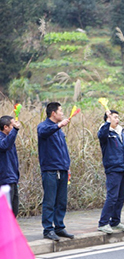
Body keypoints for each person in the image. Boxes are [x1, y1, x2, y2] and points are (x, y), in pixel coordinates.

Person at [37, 103, 75, 241]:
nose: (62, 113)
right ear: (53, 113)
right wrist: (58, 125)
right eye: (60, 111)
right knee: (49, 201)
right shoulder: (44, 126)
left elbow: (63, 150)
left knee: (61, 201)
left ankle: (59, 227)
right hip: (50, 170)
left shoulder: (59, 131)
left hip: (62, 169)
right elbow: (43, 133)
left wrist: (67, 166)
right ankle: (48, 229)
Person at [96, 109, 124, 233]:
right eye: (114, 117)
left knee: (120, 197)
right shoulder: (106, 133)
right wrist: (107, 122)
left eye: (118, 117)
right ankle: (103, 223)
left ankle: (115, 222)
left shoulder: (121, 133)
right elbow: (101, 134)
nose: (117, 120)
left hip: (123, 168)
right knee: (112, 197)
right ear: (108, 119)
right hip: (113, 168)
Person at [0, 115, 21, 216]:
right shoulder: (2, 139)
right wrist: (15, 130)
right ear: (5, 127)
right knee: (6, 212)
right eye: (13, 125)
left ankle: (10, 231)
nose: (15, 127)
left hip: (12, 178)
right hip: (4, 180)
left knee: (14, 211)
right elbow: (4, 145)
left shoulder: (10, 139)